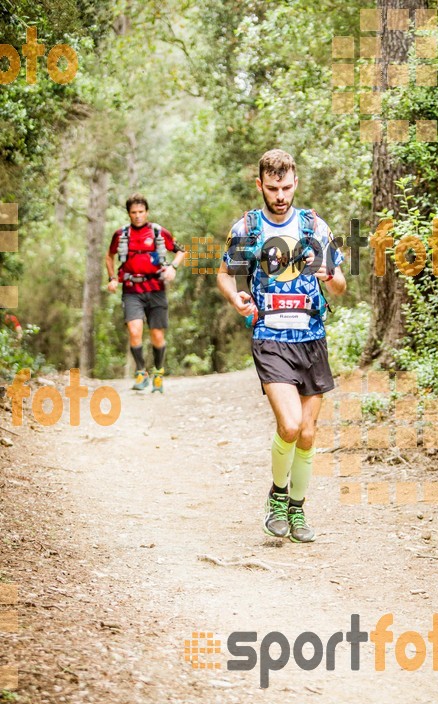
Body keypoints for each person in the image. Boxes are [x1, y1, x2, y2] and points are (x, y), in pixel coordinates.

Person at [217, 149, 346, 543]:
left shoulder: (315, 227)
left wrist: (329, 276)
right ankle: (277, 496)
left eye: (286, 187)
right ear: (260, 185)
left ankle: (298, 509)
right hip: (270, 338)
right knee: (289, 425)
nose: (280, 195)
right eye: (272, 188)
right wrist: (235, 298)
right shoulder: (247, 228)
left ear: (296, 183)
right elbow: (225, 275)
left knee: (308, 433)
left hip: (311, 338)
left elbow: (340, 287)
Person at [106, 193, 185, 393]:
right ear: (129, 214)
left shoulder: (159, 233)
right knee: (134, 331)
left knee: (157, 335)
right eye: (134, 213)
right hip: (131, 289)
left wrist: (173, 267)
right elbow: (109, 256)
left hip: (156, 289)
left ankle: (158, 373)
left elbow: (181, 250)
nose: (138, 216)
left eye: (141, 212)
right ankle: (141, 373)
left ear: (147, 212)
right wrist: (112, 278)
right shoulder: (121, 235)